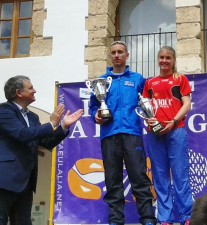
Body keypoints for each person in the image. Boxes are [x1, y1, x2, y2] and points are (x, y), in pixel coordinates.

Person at [0, 75, 83, 225]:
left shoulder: (33, 117)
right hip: (4, 180)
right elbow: (22, 135)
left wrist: (64, 126)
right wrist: (51, 124)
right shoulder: (4, 111)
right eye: (30, 88)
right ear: (19, 93)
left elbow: (46, 142)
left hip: (26, 183)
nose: (34, 91)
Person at [89, 41, 156, 225]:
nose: (117, 55)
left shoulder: (137, 79)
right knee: (112, 179)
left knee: (139, 177)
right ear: (110, 56)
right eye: (113, 52)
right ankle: (115, 220)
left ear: (127, 55)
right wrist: (96, 116)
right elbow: (93, 107)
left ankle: (148, 219)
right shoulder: (101, 81)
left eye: (120, 52)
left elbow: (148, 103)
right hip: (109, 135)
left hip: (132, 133)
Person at [142, 46, 193, 225]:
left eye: (168, 58)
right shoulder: (149, 83)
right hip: (154, 134)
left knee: (180, 174)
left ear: (173, 60)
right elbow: (145, 106)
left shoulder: (180, 79)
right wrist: (149, 120)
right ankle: (165, 218)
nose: (164, 61)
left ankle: (187, 216)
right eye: (161, 57)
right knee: (160, 176)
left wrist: (173, 120)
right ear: (158, 60)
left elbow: (187, 104)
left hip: (176, 130)